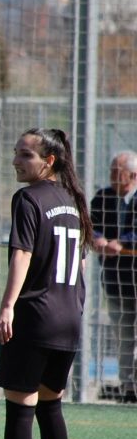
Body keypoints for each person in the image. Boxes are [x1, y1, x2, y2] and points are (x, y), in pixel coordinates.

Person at [0, 128, 91, 439]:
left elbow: (23, 255)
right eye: (16, 152)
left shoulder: (28, 198)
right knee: (51, 406)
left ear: (49, 161)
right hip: (68, 319)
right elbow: (81, 264)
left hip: (35, 317)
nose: (16, 160)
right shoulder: (73, 200)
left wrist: (7, 306)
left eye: (25, 155)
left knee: (20, 409)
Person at [89, 151, 137, 403]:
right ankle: (128, 388)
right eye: (111, 171)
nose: (111, 176)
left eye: (117, 172)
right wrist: (98, 239)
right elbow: (91, 224)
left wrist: (123, 243)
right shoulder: (103, 197)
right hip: (116, 281)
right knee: (123, 335)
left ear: (133, 175)